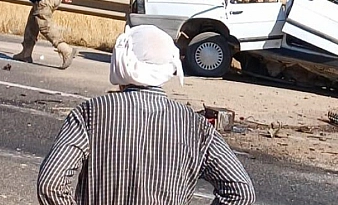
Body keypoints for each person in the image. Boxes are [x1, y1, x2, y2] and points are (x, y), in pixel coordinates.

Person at [36, 24, 256, 205]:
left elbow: (51, 185)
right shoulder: (196, 127)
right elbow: (240, 193)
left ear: (121, 62)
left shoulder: (90, 113)